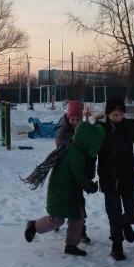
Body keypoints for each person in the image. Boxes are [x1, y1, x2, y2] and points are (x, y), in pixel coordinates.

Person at [24, 122, 105, 256]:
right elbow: (80, 176)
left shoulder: (77, 149)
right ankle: (33, 226)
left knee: (77, 217)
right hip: (61, 192)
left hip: (71, 192)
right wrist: (90, 187)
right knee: (57, 220)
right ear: (87, 140)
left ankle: (71, 245)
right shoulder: (75, 154)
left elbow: (84, 173)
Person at [96, 96, 134, 261]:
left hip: (127, 177)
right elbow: (90, 152)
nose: (118, 118)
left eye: (120, 114)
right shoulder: (100, 129)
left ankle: (125, 223)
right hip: (108, 178)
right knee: (113, 214)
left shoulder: (131, 127)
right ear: (107, 114)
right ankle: (117, 245)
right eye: (114, 115)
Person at [55, 100, 92, 244]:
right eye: (72, 119)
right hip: (64, 172)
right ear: (68, 118)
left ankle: (81, 230)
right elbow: (60, 147)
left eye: (78, 119)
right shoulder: (63, 130)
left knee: (79, 202)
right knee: (63, 200)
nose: (75, 122)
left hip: (78, 171)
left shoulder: (83, 129)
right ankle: (56, 220)